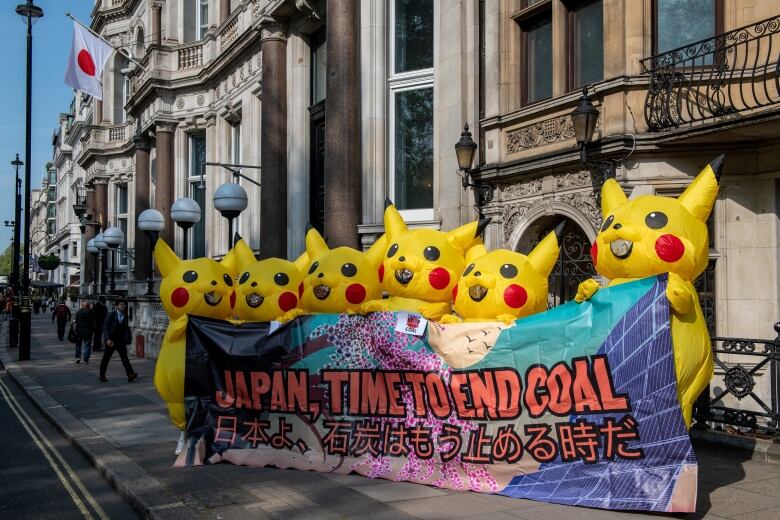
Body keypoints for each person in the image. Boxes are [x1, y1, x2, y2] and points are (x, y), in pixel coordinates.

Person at [99, 300, 137, 383]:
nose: (123, 306)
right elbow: (105, 327)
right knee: (106, 358)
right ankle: (102, 375)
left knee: (124, 358)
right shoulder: (111, 314)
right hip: (111, 340)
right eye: (121, 304)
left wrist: (128, 338)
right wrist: (107, 339)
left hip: (121, 340)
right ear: (116, 306)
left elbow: (126, 329)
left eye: (124, 304)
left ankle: (130, 374)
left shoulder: (125, 316)